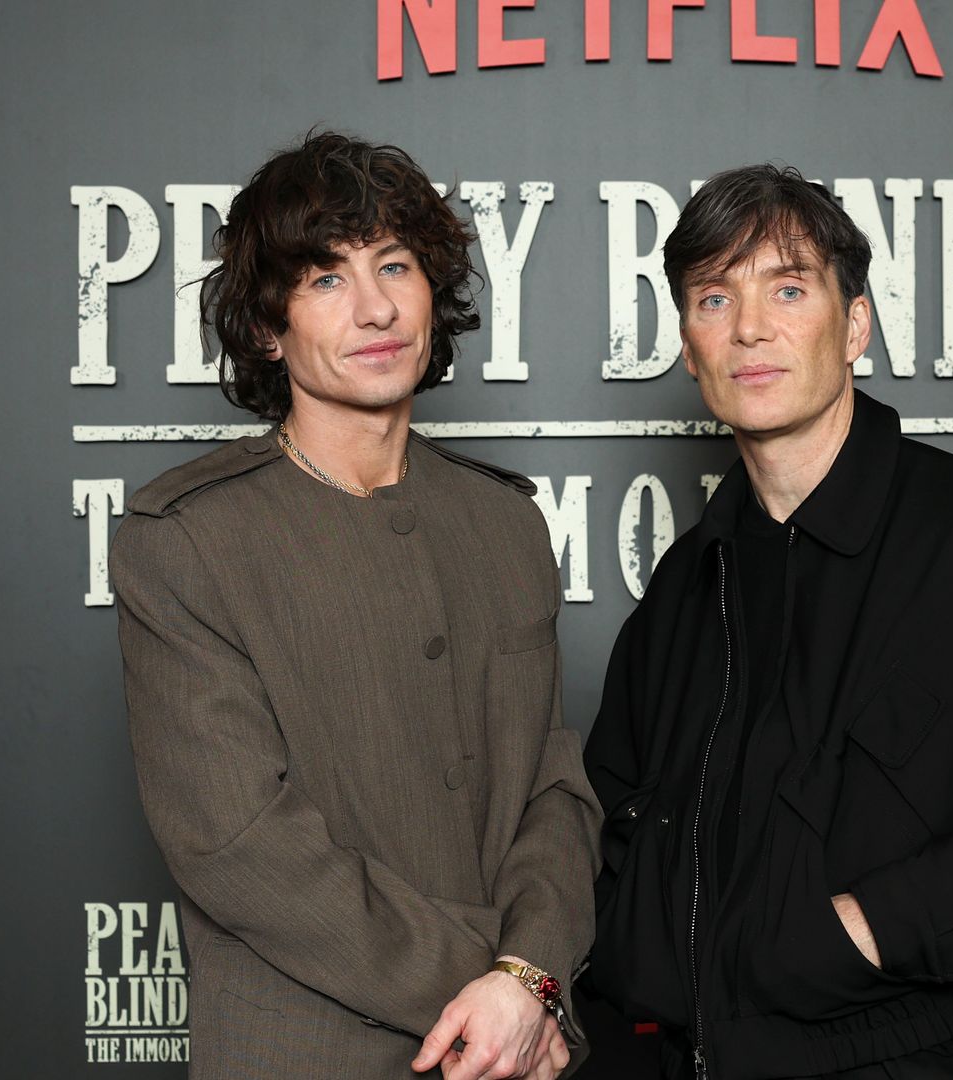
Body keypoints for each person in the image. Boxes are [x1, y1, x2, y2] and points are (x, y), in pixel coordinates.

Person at [580, 164, 953, 1079]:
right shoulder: (684, 590)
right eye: (712, 299)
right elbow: (612, 838)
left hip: (904, 1057)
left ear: (855, 323)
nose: (750, 329)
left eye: (788, 288)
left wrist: (869, 930)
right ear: (691, 350)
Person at [111, 130, 600, 1080]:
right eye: (325, 278)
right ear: (266, 326)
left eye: (396, 266)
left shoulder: (506, 524)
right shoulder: (186, 540)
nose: (375, 306)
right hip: (305, 1051)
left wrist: (530, 976)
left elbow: (554, 790)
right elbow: (239, 842)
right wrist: (504, 992)